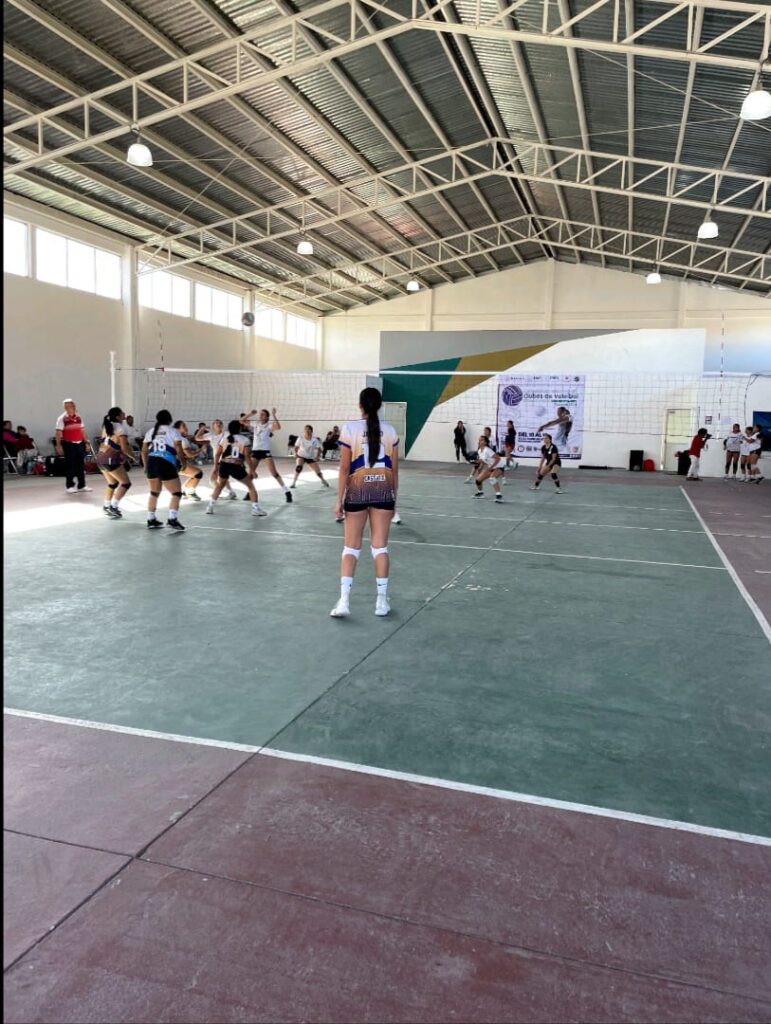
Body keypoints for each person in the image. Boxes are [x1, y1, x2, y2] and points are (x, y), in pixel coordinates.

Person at [331, 387, 399, 619]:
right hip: (383, 492)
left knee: (351, 548)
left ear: (360, 405)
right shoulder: (390, 430)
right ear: (380, 405)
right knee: (380, 548)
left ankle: (344, 601)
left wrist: (339, 500)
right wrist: (394, 500)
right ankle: (381, 602)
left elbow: (344, 468)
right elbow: (394, 470)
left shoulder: (350, 429)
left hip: (357, 493)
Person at [207, 420, 266, 516]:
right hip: (236, 466)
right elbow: (247, 457)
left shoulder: (225, 439)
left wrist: (215, 466)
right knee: (251, 486)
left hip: (224, 465)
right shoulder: (245, 440)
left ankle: (210, 507)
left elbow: (217, 454)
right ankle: (255, 509)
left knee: (219, 486)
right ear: (239, 428)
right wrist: (252, 470)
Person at [142, 410, 187, 531]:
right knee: (176, 493)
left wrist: (146, 466)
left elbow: (144, 451)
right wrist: (184, 462)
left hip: (152, 462)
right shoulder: (173, 431)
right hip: (165, 462)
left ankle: (151, 519)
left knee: (154, 493)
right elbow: (178, 449)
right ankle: (172, 519)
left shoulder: (151, 431)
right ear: (169, 419)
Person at [244, 407, 293, 503]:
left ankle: (287, 492)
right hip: (256, 451)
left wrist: (274, 415)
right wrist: (250, 414)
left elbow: (278, 427)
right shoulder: (255, 424)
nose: (260, 415)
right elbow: (241, 421)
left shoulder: (269, 425)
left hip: (265, 451)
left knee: (274, 473)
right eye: (260, 414)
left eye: (263, 414)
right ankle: (249, 493)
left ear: (267, 417)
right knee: (250, 474)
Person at [96, 407, 134, 519]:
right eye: (122, 413)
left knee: (112, 484)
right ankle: (113, 506)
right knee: (125, 483)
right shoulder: (121, 428)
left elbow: (110, 443)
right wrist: (134, 457)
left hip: (100, 458)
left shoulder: (107, 426)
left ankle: (106, 506)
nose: (124, 413)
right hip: (109, 458)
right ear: (118, 417)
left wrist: (121, 455)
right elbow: (125, 448)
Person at [55, 399, 92, 494]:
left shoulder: (79, 417)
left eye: (70, 406)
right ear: (64, 408)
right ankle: (70, 486)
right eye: (66, 407)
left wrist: (86, 443)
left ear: (74, 406)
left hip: (79, 443)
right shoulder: (62, 418)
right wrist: (58, 446)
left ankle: (82, 485)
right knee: (70, 465)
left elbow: (82, 431)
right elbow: (58, 433)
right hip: (69, 444)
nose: (69, 408)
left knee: (80, 465)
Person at [204, 420, 237, 499]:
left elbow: (233, 441)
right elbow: (197, 438)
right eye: (216, 423)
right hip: (217, 459)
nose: (218, 424)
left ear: (222, 426)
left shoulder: (226, 434)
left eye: (220, 423)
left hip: (224, 459)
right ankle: (229, 492)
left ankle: (219, 491)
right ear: (213, 426)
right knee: (221, 478)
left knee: (213, 479)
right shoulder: (210, 435)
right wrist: (202, 428)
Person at [291, 425, 330, 489]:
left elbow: (319, 449)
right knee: (299, 467)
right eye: (305, 429)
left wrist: (317, 456)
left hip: (310, 457)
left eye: (308, 429)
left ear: (311, 431)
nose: (307, 430)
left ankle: (323, 480)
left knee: (318, 472)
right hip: (301, 455)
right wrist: (296, 453)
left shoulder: (315, 440)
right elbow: (296, 447)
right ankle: (293, 483)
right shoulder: (300, 438)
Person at [173, 420, 204, 500]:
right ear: (178, 429)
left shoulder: (173, 437)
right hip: (176, 463)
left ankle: (184, 492)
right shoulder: (182, 440)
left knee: (194, 474)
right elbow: (190, 454)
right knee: (198, 474)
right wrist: (200, 450)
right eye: (183, 426)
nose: (186, 428)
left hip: (168, 463)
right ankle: (190, 493)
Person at [472, 435, 505, 503]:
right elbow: (483, 461)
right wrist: (479, 466)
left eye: (482, 440)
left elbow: (498, 459)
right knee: (478, 480)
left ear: (485, 442)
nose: (479, 441)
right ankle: (480, 493)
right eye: (479, 440)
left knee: (492, 478)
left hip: (499, 467)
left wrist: (491, 467)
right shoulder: (479, 451)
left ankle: (499, 496)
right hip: (491, 467)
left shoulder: (488, 450)